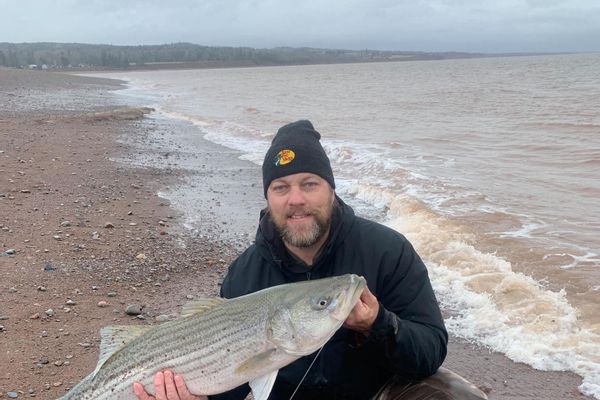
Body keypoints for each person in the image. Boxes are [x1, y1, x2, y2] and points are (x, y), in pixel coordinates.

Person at [134, 120, 479, 400]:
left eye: (309, 184)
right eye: (281, 188)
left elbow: (431, 350)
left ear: (331, 189)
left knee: (455, 396)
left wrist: (379, 326)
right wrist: (192, 396)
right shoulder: (244, 275)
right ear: (269, 198)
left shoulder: (387, 251)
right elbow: (234, 386)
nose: (296, 199)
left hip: (376, 394)